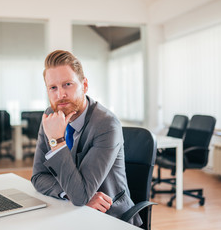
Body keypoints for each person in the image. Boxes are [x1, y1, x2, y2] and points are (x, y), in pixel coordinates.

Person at [31, 50, 141, 226]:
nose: (60, 95)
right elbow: (38, 178)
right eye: (53, 88)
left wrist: (57, 142)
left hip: (110, 218)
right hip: (72, 211)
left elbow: (80, 195)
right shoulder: (50, 117)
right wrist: (69, 193)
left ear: (85, 85)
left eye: (68, 84)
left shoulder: (106, 124)